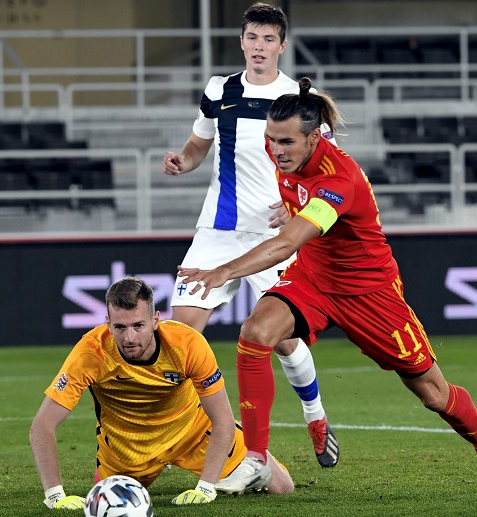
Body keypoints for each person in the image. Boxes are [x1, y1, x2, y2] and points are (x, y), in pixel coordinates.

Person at [178, 78, 477, 502]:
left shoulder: (340, 178)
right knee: (255, 334)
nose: (276, 149)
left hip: (369, 292)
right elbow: (298, 228)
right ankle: (256, 458)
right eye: (271, 140)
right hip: (315, 279)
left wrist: (222, 271)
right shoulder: (284, 160)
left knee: (432, 393)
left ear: (313, 137)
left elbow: (288, 242)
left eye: (286, 141)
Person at [162, 2, 340, 469]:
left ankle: (315, 415)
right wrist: (183, 161)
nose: (259, 47)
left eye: (268, 39)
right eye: (252, 38)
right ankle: (186, 433)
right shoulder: (219, 90)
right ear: (241, 42)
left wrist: (297, 203)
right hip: (217, 230)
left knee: (281, 341)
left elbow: (330, 166)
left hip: (273, 234)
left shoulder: (303, 98)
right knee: (180, 334)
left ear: (282, 45)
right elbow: (200, 144)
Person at [29, 277, 294, 510]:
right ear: (108, 324)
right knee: (108, 501)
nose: (130, 337)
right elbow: (42, 426)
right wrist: (55, 496)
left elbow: (222, 419)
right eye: (120, 327)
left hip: (192, 432)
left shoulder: (188, 344)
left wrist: (205, 487)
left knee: (282, 486)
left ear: (156, 321)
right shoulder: (90, 352)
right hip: (127, 449)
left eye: (138, 325)